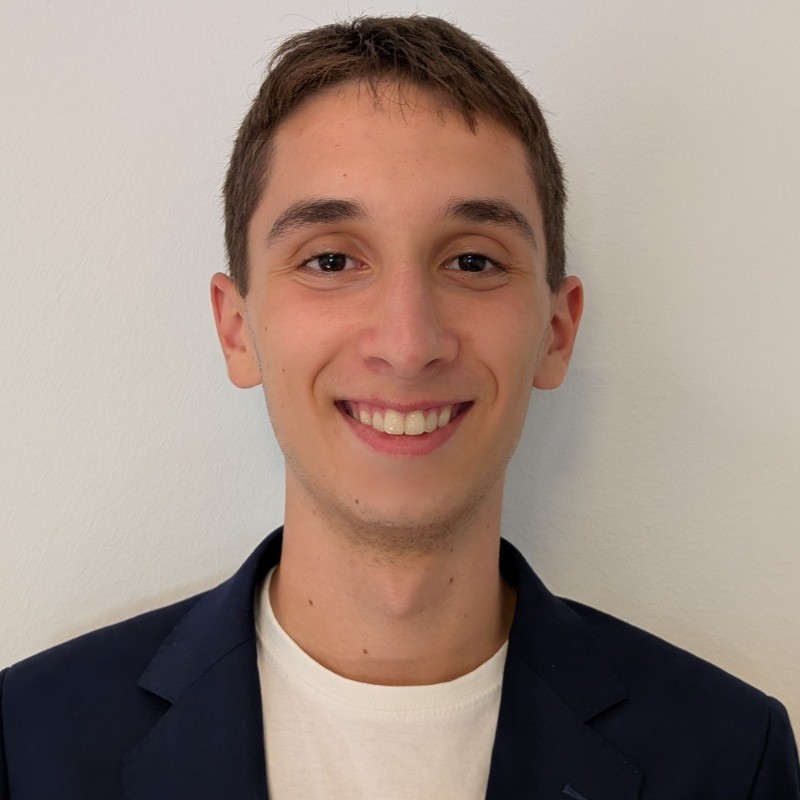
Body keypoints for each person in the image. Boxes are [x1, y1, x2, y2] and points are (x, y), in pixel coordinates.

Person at [0, 15, 797, 800]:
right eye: (332, 260)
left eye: (473, 261)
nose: (409, 343)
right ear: (237, 329)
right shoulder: (27, 743)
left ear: (556, 332)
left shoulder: (730, 759)